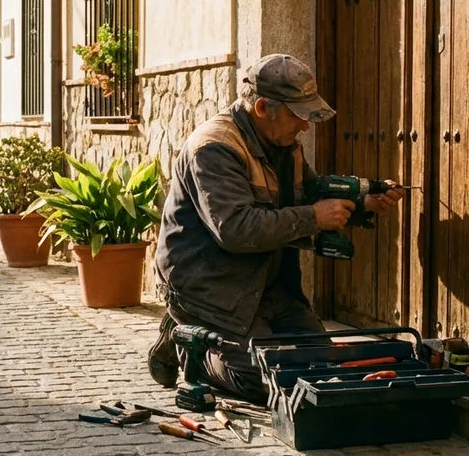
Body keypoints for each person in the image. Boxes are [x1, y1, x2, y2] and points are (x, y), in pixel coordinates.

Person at [147, 53, 405, 404]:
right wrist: (314, 217)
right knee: (263, 382)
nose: (305, 126)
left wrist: (365, 202)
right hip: (210, 288)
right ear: (264, 108)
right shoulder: (213, 148)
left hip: (266, 285)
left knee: (318, 369)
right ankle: (186, 341)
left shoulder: (283, 143)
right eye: (299, 115)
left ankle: (205, 334)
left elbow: (308, 190)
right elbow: (235, 229)